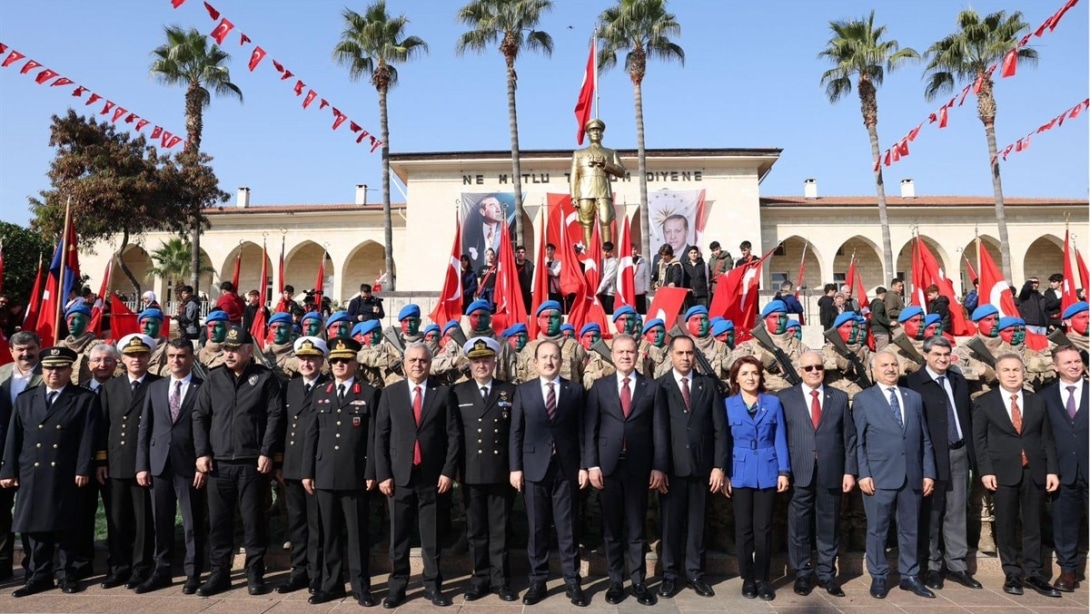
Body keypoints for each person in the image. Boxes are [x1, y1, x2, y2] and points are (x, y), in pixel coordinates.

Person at [192, 326, 283, 597]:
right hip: (219, 463)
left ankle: (255, 572)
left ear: (248, 350)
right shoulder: (214, 378)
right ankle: (220, 574)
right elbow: (199, 416)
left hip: (251, 463)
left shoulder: (265, 378)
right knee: (219, 522)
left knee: (254, 520)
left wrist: (267, 452)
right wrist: (202, 452)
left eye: (234, 349)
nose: (229, 354)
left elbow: (275, 417)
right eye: (226, 350)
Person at [1, 347, 99, 597]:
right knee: (35, 528)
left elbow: (88, 437)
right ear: (42, 370)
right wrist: (8, 470)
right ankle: (39, 575)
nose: (53, 372)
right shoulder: (26, 398)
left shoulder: (83, 398)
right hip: (31, 472)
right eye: (49, 368)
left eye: (59, 367)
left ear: (69, 370)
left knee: (66, 526)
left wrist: (83, 467)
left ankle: (67, 574)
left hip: (65, 472)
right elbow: (14, 438)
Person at [374, 342, 460, 608]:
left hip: (432, 478)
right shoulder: (390, 394)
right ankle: (397, 587)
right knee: (398, 537)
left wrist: (448, 471)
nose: (418, 365)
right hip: (399, 478)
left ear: (430, 364)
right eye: (413, 360)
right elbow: (381, 437)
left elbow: (453, 436)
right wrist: (383, 474)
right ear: (404, 364)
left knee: (431, 537)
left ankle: (433, 586)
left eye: (423, 361)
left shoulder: (443, 394)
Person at [584, 334, 667, 606]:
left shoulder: (651, 388)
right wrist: (592, 464)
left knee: (636, 527)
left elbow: (659, 430)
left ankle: (639, 582)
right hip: (608, 467)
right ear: (613, 354)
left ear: (637, 354)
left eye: (630, 351)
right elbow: (590, 430)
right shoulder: (599, 387)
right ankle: (616, 581)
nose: (625, 356)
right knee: (611, 529)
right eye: (620, 351)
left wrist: (658, 466)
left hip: (639, 467)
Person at [973, 353, 1061, 597]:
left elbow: (1047, 439)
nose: (1012, 374)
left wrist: (1052, 470)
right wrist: (986, 471)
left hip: (1034, 470)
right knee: (1006, 523)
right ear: (998, 374)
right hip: (1002, 472)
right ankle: (1012, 572)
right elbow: (979, 441)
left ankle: (1034, 573)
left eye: (1016, 370)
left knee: (1033, 524)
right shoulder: (984, 402)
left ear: (1024, 373)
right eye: (1007, 370)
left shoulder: (1037, 402)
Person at [510, 340, 589, 607]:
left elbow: (583, 431)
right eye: (544, 357)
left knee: (567, 529)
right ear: (535, 362)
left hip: (567, 468)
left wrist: (584, 466)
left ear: (561, 360)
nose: (549, 362)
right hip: (534, 468)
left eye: (554, 357)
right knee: (537, 528)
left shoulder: (575, 391)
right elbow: (516, 433)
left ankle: (572, 581)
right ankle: (537, 581)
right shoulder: (524, 391)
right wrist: (515, 468)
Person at [302, 338, 379, 607]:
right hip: (324, 473)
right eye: (335, 361)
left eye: (344, 360)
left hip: (355, 474)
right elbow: (311, 435)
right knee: (328, 532)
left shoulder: (368, 393)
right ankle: (330, 585)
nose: (339, 365)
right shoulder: (321, 392)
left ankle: (361, 587)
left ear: (355, 363)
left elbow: (372, 437)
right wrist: (307, 471)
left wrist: (371, 470)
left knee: (357, 534)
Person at [854, 350, 936, 599]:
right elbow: (857, 442)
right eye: (884, 365)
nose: (890, 369)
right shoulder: (863, 399)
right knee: (878, 529)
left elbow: (924, 438)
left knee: (910, 528)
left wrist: (928, 472)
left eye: (893, 364)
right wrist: (863, 474)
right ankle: (878, 576)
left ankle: (909, 575)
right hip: (879, 476)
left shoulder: (913, 398)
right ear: (874, 370)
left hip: (911, 475)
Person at [905, 336, 980, 591]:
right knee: (932, 513)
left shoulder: (958, 380)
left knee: (957, 511)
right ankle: (933, 566)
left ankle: (957, 565)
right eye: (936, 354)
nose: (942, 358)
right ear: (925, 355)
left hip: (958, 452)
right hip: (931, 457)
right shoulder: (913, 383)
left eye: (946, 354)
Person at [778, 350, 855, 598]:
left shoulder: (839, 398)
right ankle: (801, 574)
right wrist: (783, 470)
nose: (814, 372)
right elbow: (779, 437)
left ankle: (826, 574)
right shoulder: (785, 398)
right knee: (798, 525)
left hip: (831, 471)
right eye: (809, 368)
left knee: (828, 525)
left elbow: (849, 438)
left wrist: (849, 471)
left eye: (818, 367)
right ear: (800, 371)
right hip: (799, 471)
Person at [134, 338, 206, 595]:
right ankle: (161, 571)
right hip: (159, 464)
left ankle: (193, 573)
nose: (176, 360)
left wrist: (202, 463)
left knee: (192, 523)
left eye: (182, 356)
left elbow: (207, 429)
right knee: (160, 521)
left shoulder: (202, 388)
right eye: (172, 355)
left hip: (189, 465)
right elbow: (145, 429)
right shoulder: (155, 388)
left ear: (192, 359)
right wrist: (142, 465)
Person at [655, 336, 726, 598]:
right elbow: (657, 431)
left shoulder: (707, 386)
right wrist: (658, 467)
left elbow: (720, 429)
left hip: (701, 468)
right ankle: (670, 575)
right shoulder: (660, 386)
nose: (685, 357)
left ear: (695, 355)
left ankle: (696, 574)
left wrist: (719, 466)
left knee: (698, 524)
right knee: (670, 525)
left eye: (689, 353)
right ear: (671, 355)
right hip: (671, 470)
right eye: (680, 353)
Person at [450, 337, 519, 602]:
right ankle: (479, 579)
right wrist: (454, 468)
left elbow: (515, 433)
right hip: (470, 471)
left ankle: (501, 580)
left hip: (500, 471)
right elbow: (454, 435)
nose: (481, 365)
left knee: (500, 528)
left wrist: (515, 468)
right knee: (476, 529)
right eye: (477, 361)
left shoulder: (510, 391)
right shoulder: (458, 392)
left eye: (486, 360)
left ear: (494, 362)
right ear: (470, 363)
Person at [724, 356, 790, 601]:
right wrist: (725, 472)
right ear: (736, 379)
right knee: (744, 529)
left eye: (754, 373)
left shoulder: (772, 403)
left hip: (767, 470)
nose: (750, 378)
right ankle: (747, 578)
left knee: (763, 528)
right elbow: (725, 441)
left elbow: (779, 438)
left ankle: (763, 578)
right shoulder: (728, 405)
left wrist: (784, 471)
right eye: (745, 373)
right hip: (739, 471)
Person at [97, 333, 159, 591]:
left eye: (142, 355)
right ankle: (118, 567)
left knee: (143, 521)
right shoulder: (110, 387)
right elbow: (101, 427)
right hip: (116, 463)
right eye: (131, 355)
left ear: (149, 358)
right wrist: (101, 460)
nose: (136, 359)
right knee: (117, 519)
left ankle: (140, 568)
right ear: (122, 359)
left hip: (144, 464)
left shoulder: (158, 385)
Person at [276, 336, 328, 596]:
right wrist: (278, 461)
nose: (307, 362)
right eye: (303, 358)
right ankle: (298, 571)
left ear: (321, 361)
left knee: (316, 522)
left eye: (312, 358)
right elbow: (280, 425)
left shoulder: (329, 388)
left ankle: (317, 573)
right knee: (295, 522)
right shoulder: (289, 387)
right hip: (292, 465)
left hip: (318, 467)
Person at [1041, 345, 1088, 592]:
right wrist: (1051, 469)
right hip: (1062, 472)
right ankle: (1068, 572)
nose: (1074, 365)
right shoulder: (1045, 397)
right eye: (1068, 362)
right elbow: (1044, 437)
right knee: (1064, 524)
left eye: (1077, 361)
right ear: (1056, 366)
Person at [570, 118, 626, 248]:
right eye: (592, 130)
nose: (595, 132)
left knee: (606, 220)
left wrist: (606, 164)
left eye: (598, 130)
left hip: (603, 191)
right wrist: (574, 196)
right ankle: (590, 254)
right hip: (585, 192)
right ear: (588, 134)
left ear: (602, 134)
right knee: (587, 222)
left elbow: (621, 171)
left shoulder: (611, 153)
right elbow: (574, 177)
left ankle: (608, 252)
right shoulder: (579, 154)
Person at [463, 194, 506, 271]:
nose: (498, 209)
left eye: (498, 205)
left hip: (499, 274)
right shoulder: (472, 232)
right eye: (492, 205)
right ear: (482, 212)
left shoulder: (505, 230)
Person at [597, 242, 618, 314]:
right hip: (601, 292)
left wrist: (598, 290)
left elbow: (607, 279)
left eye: (608, 251)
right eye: (604, 251)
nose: (605, 253)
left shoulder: (614, 263)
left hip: (609, 292)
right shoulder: (602, 261)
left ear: (612, 251)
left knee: (608, 313)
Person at [632, 244, 649, 314]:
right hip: (630, 292)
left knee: (641, 312)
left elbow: (647, 277)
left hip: (640, 291)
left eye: (635, 249)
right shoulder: (626, 262)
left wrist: (646, 289)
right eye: (632, 249)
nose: (633, 251)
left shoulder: (643, 263)